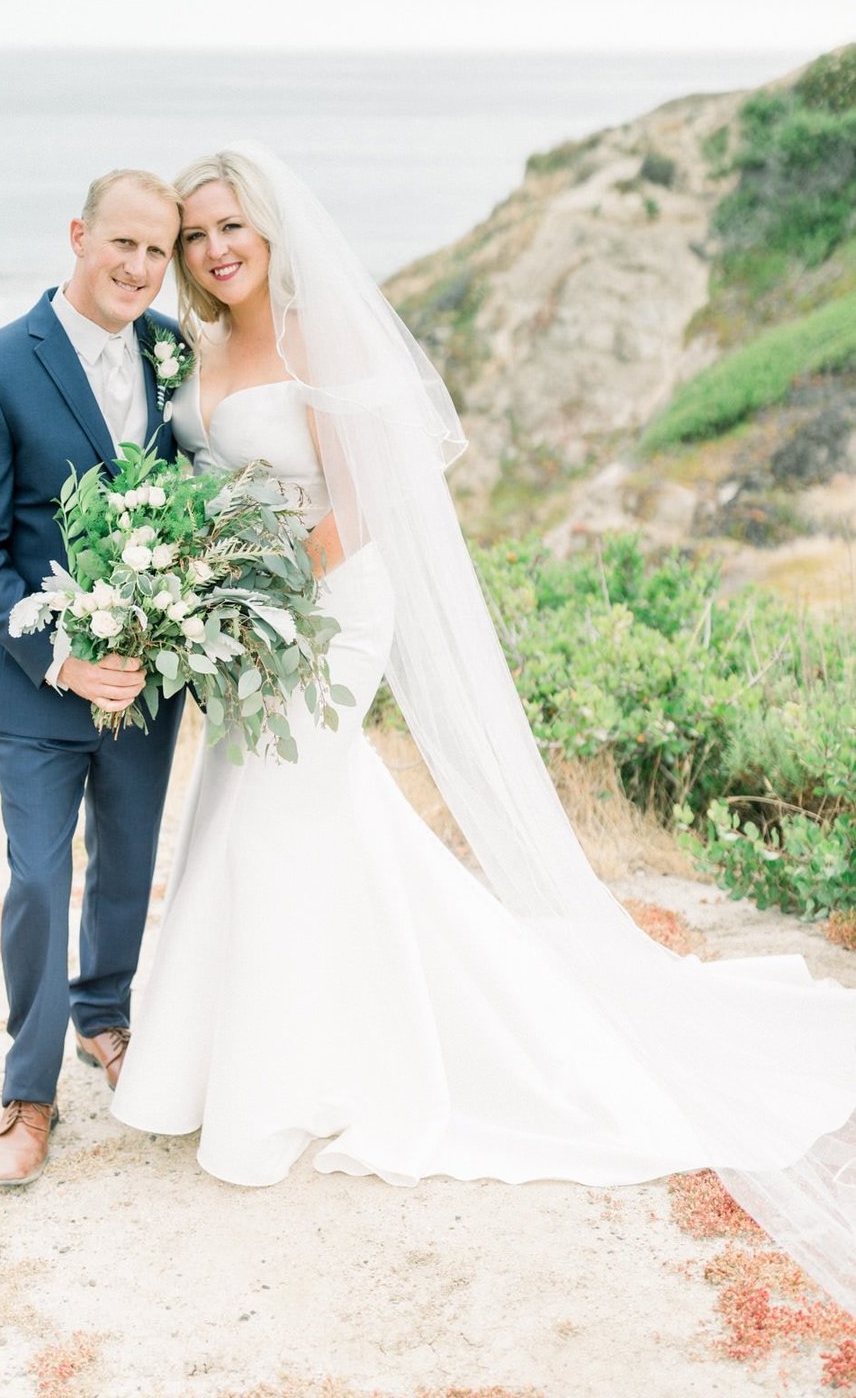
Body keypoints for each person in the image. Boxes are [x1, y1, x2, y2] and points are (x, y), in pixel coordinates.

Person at [109, 142, 856, 1311]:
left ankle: (278, 1089)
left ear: (269, 231)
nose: (211, 248)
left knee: (274, 826)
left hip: (330, 612)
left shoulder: (316, 337)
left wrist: (255, 584)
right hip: (247, 626)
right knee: (263, 821)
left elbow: (361, 501)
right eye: (194, 234)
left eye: (227, 226)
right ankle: (221, 1065)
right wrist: (203, 594)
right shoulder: (197, 349)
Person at [0, 168, 187, 1186]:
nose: (138, 268)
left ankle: (105, 1015)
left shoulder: (175, 355)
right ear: (80, 235)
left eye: (157, 253)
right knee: (41, 878)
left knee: (127, 864)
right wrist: (63, 658)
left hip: (148, 682)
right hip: (38, 685)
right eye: (122, 244)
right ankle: (28, 1093)